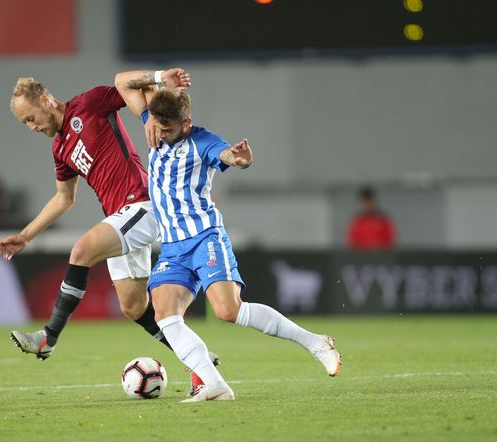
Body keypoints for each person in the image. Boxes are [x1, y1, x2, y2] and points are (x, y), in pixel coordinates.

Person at [115, 68, 342, 402]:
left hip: (205, 236)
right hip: (173, 247)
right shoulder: (153, 123)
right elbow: (122, 81)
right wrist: (161, 77)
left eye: (168, 129)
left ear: (186, 124)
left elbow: (225, 154)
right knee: (164, 314)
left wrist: (238, 159)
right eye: (157, 127)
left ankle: (315, 342)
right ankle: (215, 385)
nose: (160, 135)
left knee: (228, 311)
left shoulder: (202, 141)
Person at [0, 78, 218, 390]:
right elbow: (64, 198)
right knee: (134, 308)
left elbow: (129, 86)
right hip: (120, 217)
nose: (31, 127)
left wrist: (156, 91)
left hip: (143, 204)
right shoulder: (60, 149)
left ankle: (49, 336)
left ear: (45, 100)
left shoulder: (87, 105)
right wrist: (26, 235)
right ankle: (201, 363)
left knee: (81, 251)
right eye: (25, 124)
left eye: (30, 118)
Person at [346, 186, 396, 250]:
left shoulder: (383, 220)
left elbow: (390, 241)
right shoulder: (356, 221)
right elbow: (351, 242)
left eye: (369, 201)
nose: (367, 205)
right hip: (361, 257)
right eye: (365, 202)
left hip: (380, 256)